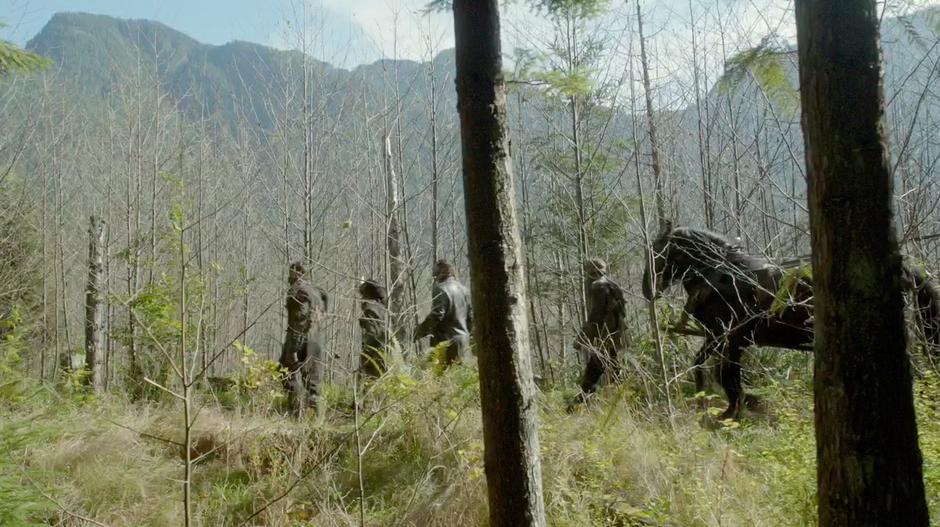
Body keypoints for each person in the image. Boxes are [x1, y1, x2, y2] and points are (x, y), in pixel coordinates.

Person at [575, 257, 629, 401]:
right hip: (617, 334)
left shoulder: (597, 287)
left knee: (594, 370)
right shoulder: (613, 286)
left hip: (605, 335)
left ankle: (580, 403)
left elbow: (596, 317)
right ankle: (623, 400)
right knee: (613, 367)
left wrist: (581, 338)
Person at [279, 262, 328, 416]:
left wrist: (293, 348)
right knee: (313, 383)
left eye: (291, 272)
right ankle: (318, 420)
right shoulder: (317, 292)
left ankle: (295, 413)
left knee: (285, 371)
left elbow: (299, 319)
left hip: (300, 339)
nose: (289, 276)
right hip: (316, 340)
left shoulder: (298, 292)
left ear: (298, 273)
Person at [414, 260, 473, 368]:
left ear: (439, 273)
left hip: (446, 343)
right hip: (464, 342)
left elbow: (437, 316)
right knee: (458, 380)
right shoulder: (464, 290)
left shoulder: (441, 289)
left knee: (443, 379)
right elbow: (470, 318)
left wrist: (418, 332)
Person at [358, 279, 390, 377]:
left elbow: (373, 334)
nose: (361, 298)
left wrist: (366, 354)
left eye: (363, 295)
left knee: (370, 381)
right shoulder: (382, 308)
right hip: (384, 352)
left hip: (373, 354)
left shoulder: (369, 308)